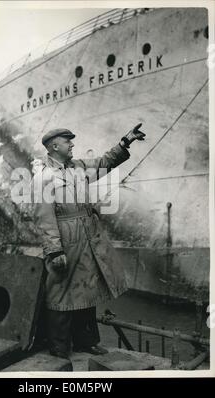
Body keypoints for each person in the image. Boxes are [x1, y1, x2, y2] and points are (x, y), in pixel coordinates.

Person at [32, 124, 146, 359]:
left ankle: (87, 341)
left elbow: (104, 163)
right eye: (67, 141)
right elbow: (44, 218)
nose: (72, 144)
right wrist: (54, 251)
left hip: (87, 236)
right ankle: (59, 347)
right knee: (60, 292)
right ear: (54, 146)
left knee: (87, 287)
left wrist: (125, 142)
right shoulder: (43, 177)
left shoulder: (78, 167)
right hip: (66, 238)